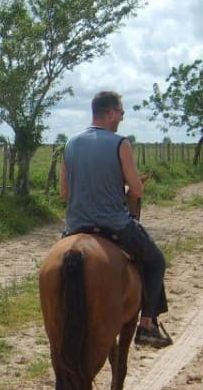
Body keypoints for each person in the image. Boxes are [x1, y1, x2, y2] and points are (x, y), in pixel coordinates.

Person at [59, 90, 173, 348]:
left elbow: (64, 193)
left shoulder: (70, 144)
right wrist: (121, 192)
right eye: (121, 112)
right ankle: (147, 325)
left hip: (75, 225)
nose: (122, 117)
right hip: (115, 224)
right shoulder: (120, 142)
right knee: (155, 261)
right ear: (110, 113)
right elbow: (138, 190)